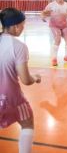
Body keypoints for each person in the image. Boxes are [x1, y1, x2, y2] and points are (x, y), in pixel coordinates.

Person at [0, 8, 41, 153]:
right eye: (23, 24)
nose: (23, 28)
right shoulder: (19, 47)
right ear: (16, 26)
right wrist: (35, 77)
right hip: (10, 99)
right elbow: (26, 79)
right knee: (27, 123)